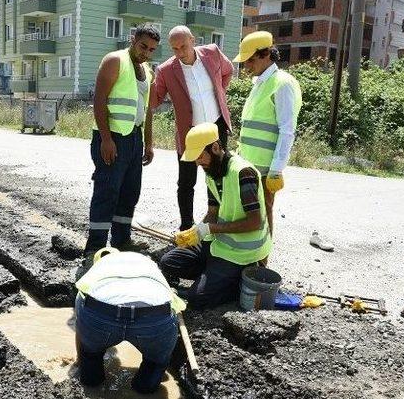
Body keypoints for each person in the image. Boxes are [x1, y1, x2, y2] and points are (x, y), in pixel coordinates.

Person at [159, 122, 272, 308]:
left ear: (216, 147)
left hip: (242, 253)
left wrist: (211, 228)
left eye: (200, 156)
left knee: (197, 299)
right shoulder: (212, 172)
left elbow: (254, 222)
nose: (197, 163)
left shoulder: (244, 173)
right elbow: (213, 212)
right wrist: (194, 233)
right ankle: (216, 275)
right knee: (168, 261)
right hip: (219, 245)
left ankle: (238, 279)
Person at [84, 24, 160, 254]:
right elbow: (99, 100)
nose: (146, 53)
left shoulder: (147, 71)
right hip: (113, 138)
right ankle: (95, 247)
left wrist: (148, 142)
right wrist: (106, 139)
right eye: (143, 46)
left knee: (130, 191)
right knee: (107, 191)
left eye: (151, 50)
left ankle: (122, 240)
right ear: (133, 39)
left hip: (134, 138)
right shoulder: (114, 60)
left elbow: (147, 110)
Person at [150, 25, 234, 231]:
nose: (180, 52)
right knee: (186, 181)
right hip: (189, 134)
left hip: (216, 126)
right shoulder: (166, 70)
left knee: (217, 175)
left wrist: (220, 92)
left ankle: (216, 219)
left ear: (193, 41)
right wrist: (144, 78)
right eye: (175, 48)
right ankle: (186, 224)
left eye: (183, 46)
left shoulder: (212, 53)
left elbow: (228, 71)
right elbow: (154, 101)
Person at [75, 247, 185, 393]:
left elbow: (81, 307)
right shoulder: (149, 264)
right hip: (153, 318)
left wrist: (82, 356)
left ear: (97, 261)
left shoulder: (99, 268)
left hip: (101, 315)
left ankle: (91, 382)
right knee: (155, 362)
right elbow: (174, 307)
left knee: (90, 355)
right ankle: (145, 388)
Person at [232, 31, 302, 236]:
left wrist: (276, 170)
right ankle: (251, 257)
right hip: (249, 165)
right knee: (250, 214)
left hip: (265, 169)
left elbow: (287, 130)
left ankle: (261, 263)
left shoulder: (282, 83)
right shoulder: (260, 83)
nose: (246, 67)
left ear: (265, 55)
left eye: (250, 61)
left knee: (263, 214)